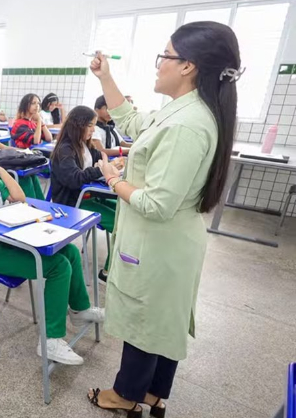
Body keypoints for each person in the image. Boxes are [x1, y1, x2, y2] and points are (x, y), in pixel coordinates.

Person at [86, 21, 241, 418]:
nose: (159, 66)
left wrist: (115, 179)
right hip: (171, 242)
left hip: (160, 242)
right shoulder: (185, 111)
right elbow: (135, 123)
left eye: (165, 56)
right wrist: (106, 77)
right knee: (162, 318)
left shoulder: (187, 125)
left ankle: (124, 395)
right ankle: (154, 394)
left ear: (188, 66)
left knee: (146, 318)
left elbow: (157, 204)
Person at [0, 132, 104, 365]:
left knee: (68, 251)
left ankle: (79, 310)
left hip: (5, 238)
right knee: (57, 266)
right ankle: (50, 341)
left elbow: (19, 199)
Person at [50, 106, 122, 280]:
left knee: (125, 212)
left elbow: (100, 156)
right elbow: (74, 179)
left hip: (88, 195)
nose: (93, 130)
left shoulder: (83, 145)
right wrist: (102, 170)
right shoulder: (65, 149)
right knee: (120, 225)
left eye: (94, 125)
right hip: (73, 203)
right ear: (78, 125)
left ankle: (117, 265)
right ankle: (108, 272)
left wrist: (112, 163)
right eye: (90, 125)